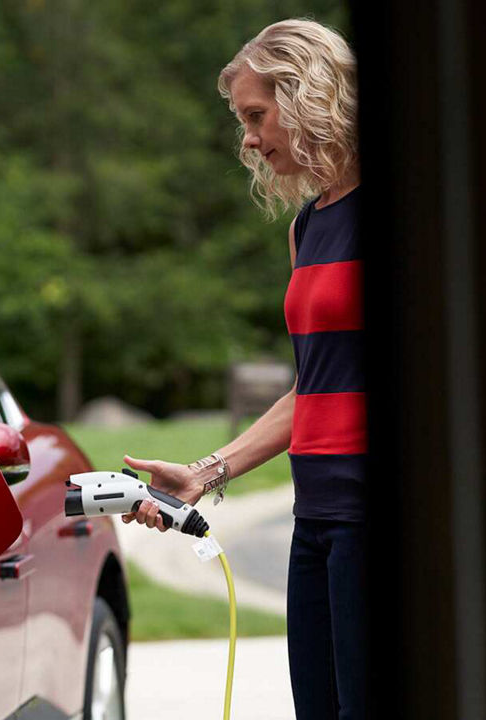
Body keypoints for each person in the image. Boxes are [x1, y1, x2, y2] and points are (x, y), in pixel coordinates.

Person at [121, 18, 365, 720]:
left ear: (310, 94)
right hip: (315, 516)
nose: (249, 140)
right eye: (243, 121)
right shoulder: (308, 225)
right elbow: (312, 387)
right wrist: (205, 472)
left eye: (257, 116)